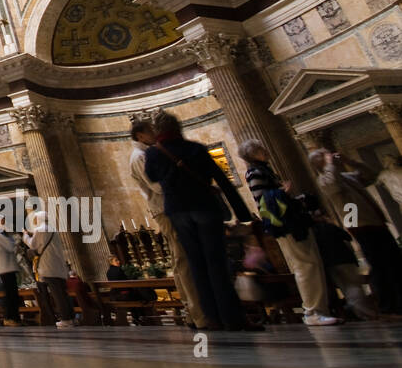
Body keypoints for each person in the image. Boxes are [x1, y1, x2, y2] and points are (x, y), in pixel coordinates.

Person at [145, 112, 261, 332]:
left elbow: (151, 176)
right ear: (178, 127)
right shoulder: (195, 148)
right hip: (203, 206)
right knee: (217, 263)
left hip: (178, 210)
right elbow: (221, 179)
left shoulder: (153, 152)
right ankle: (233, 318)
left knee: (196, 265)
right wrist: (242, 213)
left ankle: (212, 318)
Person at [239, 140, 339, 325]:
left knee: (313, 264)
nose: (266, 150)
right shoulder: (255, 172)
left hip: (294, 222)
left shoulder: (265, 170)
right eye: (261, 149)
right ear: (253, 154)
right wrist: (282, 192)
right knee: (305, 266)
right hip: (284, 225)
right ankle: (312, 311)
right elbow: (263, 202)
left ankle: (321, 308)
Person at [128, 117, 211, 329]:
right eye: (151, 131)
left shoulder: (146, 153)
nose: (155, 133)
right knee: (182, 256)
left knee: (179, 258)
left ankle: (193, 310)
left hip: (169, 207)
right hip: (165, 208)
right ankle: (198, 312)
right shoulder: (140, 156)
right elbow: (156, 186)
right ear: (141, 135)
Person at [313, 149, 402, 316]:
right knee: (379, 263)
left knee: (394, 260)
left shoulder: (346, 177)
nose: (330, 156)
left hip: (374, 221)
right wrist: (330, 165)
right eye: (325, 155)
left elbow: (370, 175)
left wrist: (351, 162)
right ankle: (387, 305)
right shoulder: (324, 179)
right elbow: (333, 186)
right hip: (358, 223)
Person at [309, 205, 377, 320]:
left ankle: (360, 313)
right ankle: (367, 314)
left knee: (346, 288)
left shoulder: (311, 233)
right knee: (353, 286)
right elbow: (347, 237)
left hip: (329, 263)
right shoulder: (328, 226)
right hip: (344, 258)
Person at [25, 213, 74, 328]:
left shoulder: (40, 229)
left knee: (57, 295)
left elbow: (33, 245)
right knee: (63, 294)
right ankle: (71, 318)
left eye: (36, 218)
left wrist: (26, 236)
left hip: (49, 267)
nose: (35, 221)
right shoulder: (52, 229)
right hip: (59, 266)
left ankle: (66, 319)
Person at [0, 223, 22, 326]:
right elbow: (11, 247)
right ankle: (9, 317)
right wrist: (16, 239)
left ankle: (15, 318)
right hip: (5, 268)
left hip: (8, 267)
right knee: (10, 294)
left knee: (13, 294)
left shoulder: (1, 237)